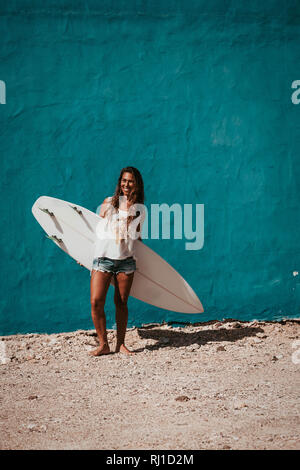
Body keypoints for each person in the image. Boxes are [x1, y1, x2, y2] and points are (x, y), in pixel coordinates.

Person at [88, 167, 145, 356]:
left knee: (121, 303)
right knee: (96, 301)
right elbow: (96, 231)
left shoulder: (139, 209)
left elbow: (137, 238)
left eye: (130, 181)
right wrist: (84, 255)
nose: (126, 184)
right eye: (123, 180)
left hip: (126, 261)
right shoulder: (108, 203)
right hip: (103, 259)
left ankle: (120, 344)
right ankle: (103, 344)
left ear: (136, 184)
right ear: (119, 182)